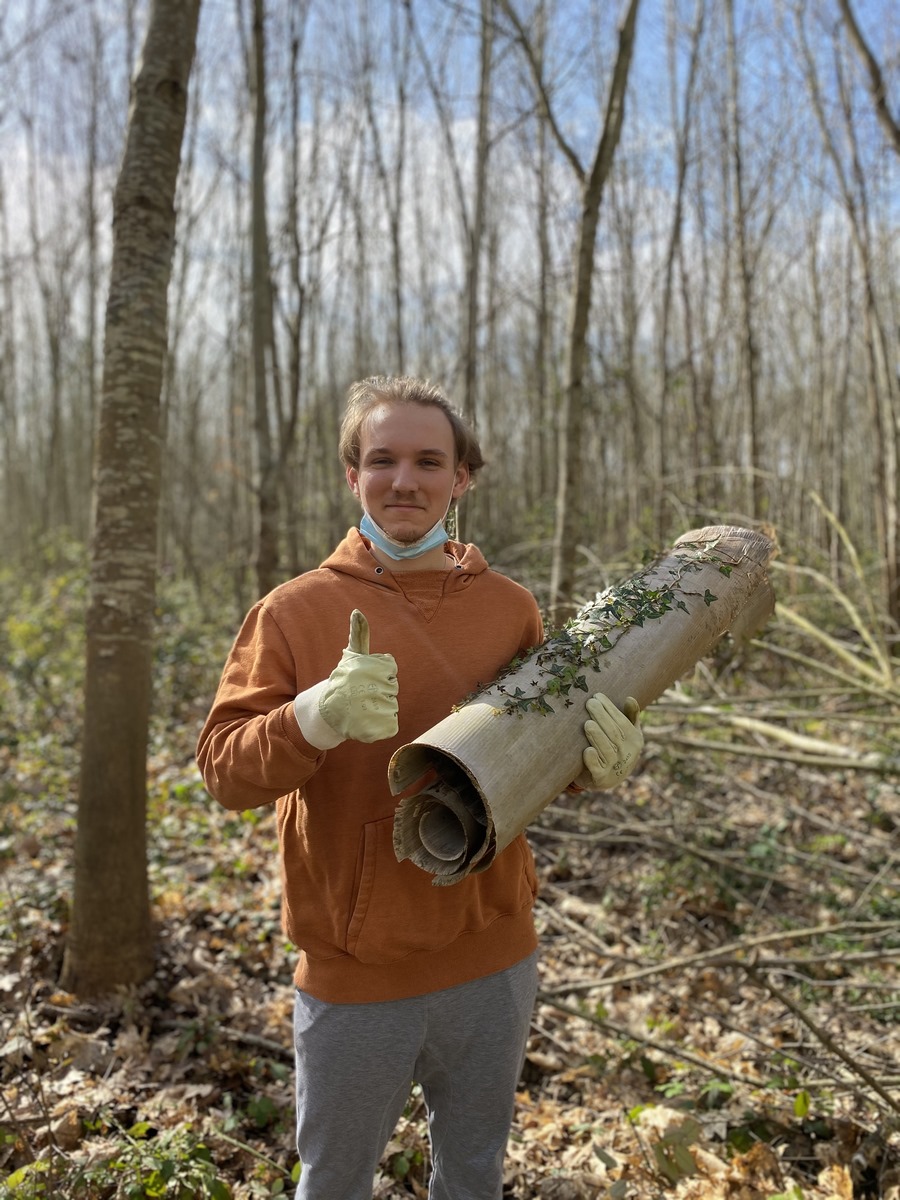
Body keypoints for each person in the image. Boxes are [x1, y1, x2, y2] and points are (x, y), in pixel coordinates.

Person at [196, 375, 643, 1200]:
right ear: (352, 476)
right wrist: (314, 716)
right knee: (334, 1183)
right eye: (383, 460)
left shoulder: (510, 610)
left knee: (473, 1176)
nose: (404, 480)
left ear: (460, 479)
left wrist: (591, 767)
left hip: (496, 956)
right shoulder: (293, 612)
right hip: (357, 974)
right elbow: (224, 769)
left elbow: (532, 755)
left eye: (429, 461)